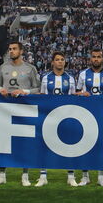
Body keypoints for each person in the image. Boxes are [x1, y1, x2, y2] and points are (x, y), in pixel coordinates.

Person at [0, 41, 41, 186]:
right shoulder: (3, 67)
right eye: (10, 49)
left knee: (25, 142)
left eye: (14, 49)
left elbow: (37, 88)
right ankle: (2, 174)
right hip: (6, 108)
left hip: (24, 108)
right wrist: (0, 89)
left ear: (21, 51)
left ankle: (25, 175)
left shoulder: (30, 68)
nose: (11, 51)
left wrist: (23, 91)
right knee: (3, 142)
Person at [37, 51, 78, 187]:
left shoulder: (70, 78)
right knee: (44, 146)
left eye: (62, 59)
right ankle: (43, 176)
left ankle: (71, 176)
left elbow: (74, 98)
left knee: (69, 146)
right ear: (52, 62)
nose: (60, 61)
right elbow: (42, 96)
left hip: (66, 116)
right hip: (49, 116)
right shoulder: (46, 78)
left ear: (65, 62)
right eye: (57, 59)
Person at [76, 48, 103, 187]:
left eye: (99, 57)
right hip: (85, 115)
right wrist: (82, 93)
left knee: (101, 146)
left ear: (102, 58)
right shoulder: (83, 74)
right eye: (94, 57)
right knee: (84, 145)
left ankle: (101, 176)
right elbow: (77, 92)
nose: (96, 59)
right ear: (90, 58)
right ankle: (85, 176)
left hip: (102, 114)